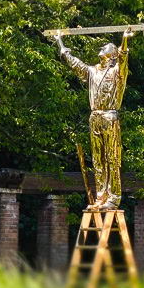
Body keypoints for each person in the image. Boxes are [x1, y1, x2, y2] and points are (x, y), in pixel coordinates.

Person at [55, 27, 133, 211]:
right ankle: (101, 195)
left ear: (112, 54)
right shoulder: (93, 72)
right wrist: (60, 42)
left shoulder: (117, 72)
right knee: (98, 159)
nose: (102, 48)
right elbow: (75, 64)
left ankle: (114, 197)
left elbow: (124, 59)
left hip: (109, 116)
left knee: (112, 158)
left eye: (106, 47)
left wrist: (125, 40)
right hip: (95, 117)